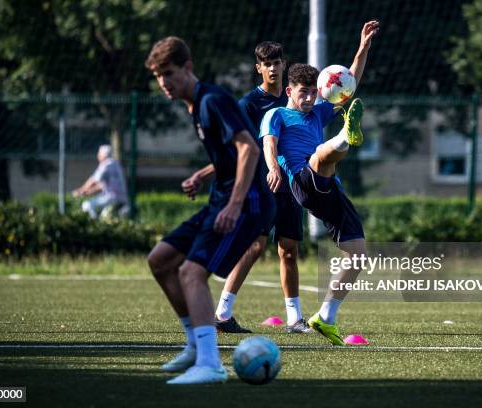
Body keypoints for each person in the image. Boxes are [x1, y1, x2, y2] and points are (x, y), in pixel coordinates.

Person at [145, 36, 275, 384]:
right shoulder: (195, 105)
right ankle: (194, 345)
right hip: (221, 199)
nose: (164, 83)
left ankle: (210, 364)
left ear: (187, 68)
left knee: (191, 273)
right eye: (159, 77)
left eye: (169, 74)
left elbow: (249, 150)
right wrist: (202, 175)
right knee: (159, 259)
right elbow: (230, 155)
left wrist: (234, 203)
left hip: (246, 204)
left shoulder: (213, 100)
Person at [260, 20, 380, 345]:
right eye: (304, 92)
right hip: (301, 180)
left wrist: (363, 46)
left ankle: (325, 317)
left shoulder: (317, 113)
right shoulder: (277, 116)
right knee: (319, 158)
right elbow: (269, 144)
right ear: (289, 91)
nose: (311, 98)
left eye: (315, 92)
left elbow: (347, 82)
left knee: (357, 256)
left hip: (330, 188)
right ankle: (345, 135)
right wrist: (273, 169)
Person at [213, 41, 311, 334]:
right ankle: (222, 314)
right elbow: (234, 146)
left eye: (277, 62)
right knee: (254, 246)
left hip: (290, 185)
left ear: (283, 64)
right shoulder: (249, 105)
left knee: (289, 250)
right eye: (266, 64)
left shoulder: (294, 98)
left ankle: (294, 319)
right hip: (260, 186)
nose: (273, 68)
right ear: (259, 69)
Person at [72, 144, 128, 218]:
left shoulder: (106, 164)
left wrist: (80, 190)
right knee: (105, 218)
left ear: (103, 155)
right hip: (121, 198)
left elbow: (93, 180)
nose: (98, 156)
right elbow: (101, 185)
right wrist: (87, 192)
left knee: (87, 205)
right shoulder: (116, 164)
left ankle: (94, 224)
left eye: (99, 154)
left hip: (112, 197)